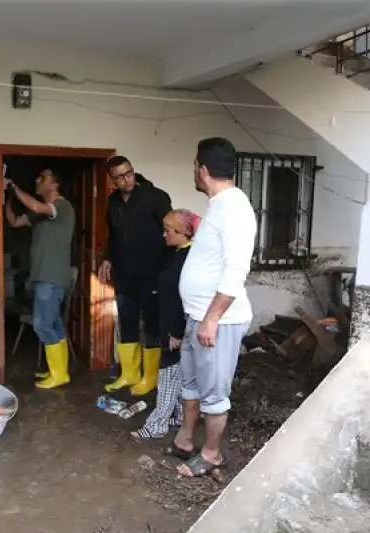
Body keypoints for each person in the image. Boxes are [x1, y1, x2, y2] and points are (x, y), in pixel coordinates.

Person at [173, 137, 256, 477]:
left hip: (218, 322)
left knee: (214, 393)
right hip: (198, 316)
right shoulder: (218, 205)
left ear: (203, 170)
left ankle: (211, 455)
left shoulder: (235, 208)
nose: (194, 171)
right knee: (191, 385)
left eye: (195, 165)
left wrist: (212, 319)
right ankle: (186, 440)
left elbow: (237, 270)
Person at [98, 156, 173, 396]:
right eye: (119, 177)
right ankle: (129, 374)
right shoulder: (113, 201)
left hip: (152, 274)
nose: (126, 179)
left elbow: (171, 233)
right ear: (112, 180)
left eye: (128, 173)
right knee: (127, 322)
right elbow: (114, 236)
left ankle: (150, 377)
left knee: (151, 325)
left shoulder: (156, 197)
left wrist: (168, 270)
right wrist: (108, 259)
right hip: (124, 275)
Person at [131, 209, 200, 441]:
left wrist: (176, 332)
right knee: (179, 374)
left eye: (167, 230)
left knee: (168, 376)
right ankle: (178, 416)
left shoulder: (188, 259)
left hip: (175, 330)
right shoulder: (178, 255)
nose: (164, 235)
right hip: (170, 327)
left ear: (181, 232)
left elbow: (182, 299)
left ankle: (157, 425)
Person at [4, 169, 76, 389]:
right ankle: (60, 372)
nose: (37, 180)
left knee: (42, 325)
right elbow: (15, 222)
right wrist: (7, 199)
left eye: (42, 178)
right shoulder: (39, 213)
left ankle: (58, 374)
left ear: (54, 184)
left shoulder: (61, 206)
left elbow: (36, 206)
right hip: (43, 276)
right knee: (53, 324)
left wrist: (14, 187)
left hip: (52, 276)